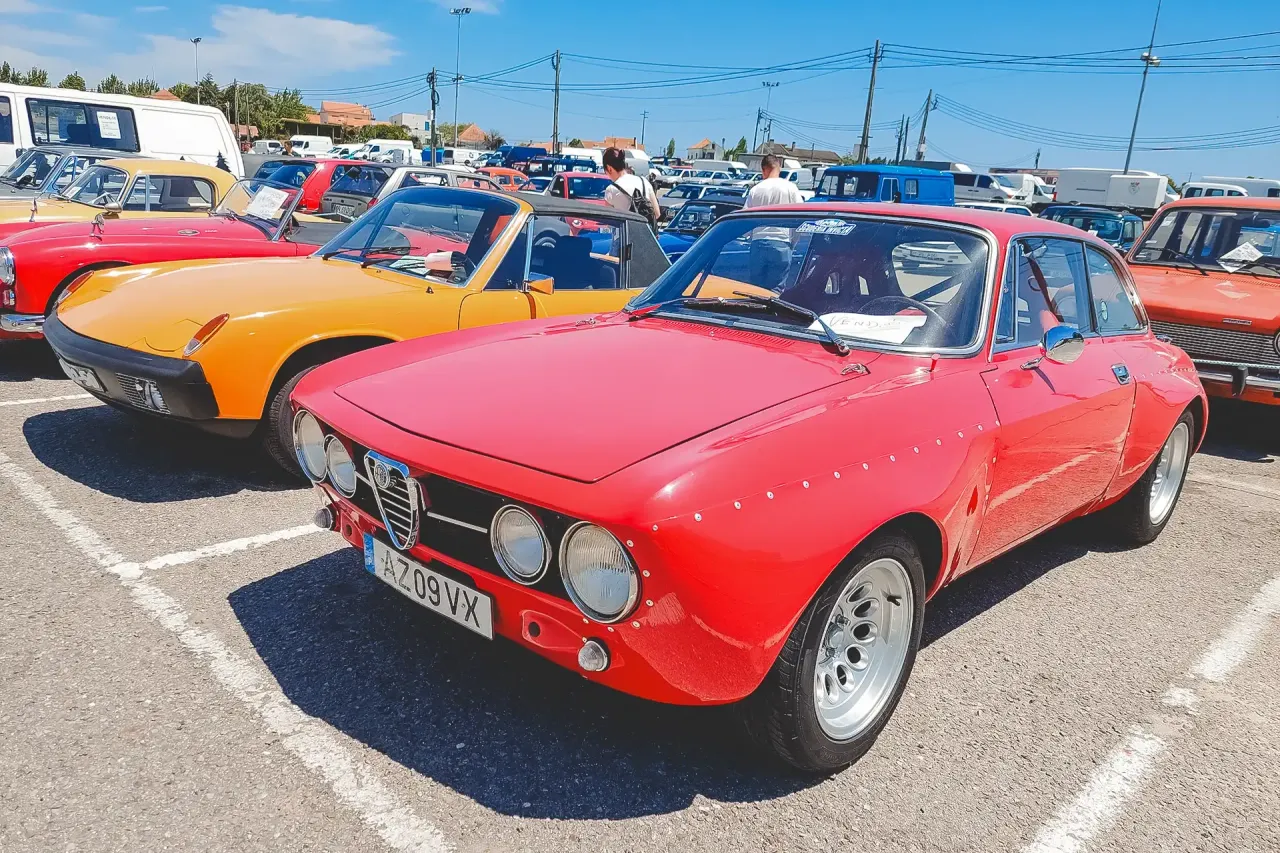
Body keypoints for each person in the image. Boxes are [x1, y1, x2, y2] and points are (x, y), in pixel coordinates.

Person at [743, 154, 803, 288]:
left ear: (763, 169)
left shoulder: (755, 190)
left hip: (758, 242)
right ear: (778, 168)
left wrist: (750, 237)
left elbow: (746, 219)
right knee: (776, 289)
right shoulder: (790, 188)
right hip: (781, 241)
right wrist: (793, 242)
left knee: (755, 289)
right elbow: (799, 218)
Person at [602, 147, 660, 229]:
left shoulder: (611, 190)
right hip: (647, 235)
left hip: (626, 236)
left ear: (609, 168)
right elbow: (657, 214)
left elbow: (610, 224)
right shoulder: (643, 181)